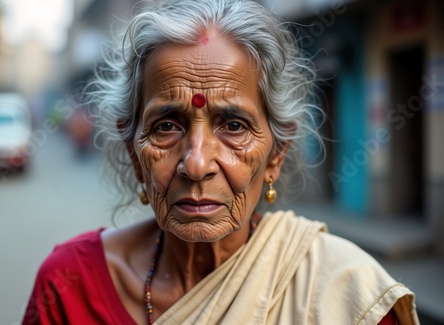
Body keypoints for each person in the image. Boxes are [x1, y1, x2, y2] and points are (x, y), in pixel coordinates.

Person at [22, 0, 419, 324]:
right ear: (133, 152)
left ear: (276, 155)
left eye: (233, 125)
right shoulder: (68, 287)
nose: (196, 164)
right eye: (165, 126)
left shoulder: (346, 295)